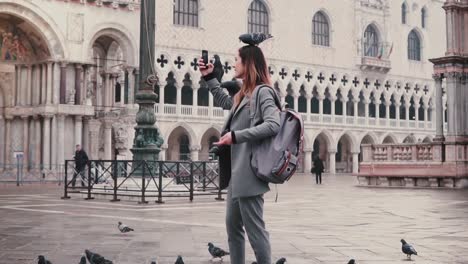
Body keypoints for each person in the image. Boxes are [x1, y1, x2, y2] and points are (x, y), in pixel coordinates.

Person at [199, 37, 280, 264]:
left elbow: (274, 124)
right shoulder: (245, 93)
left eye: (236, 60)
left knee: (255, 232)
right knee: (233, 227)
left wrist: (235, 136)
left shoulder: (263, 92)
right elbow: (226, 103)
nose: (233, 64)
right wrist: (209, 78)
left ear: (248, 63)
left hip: (250, 173)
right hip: (237, 174)